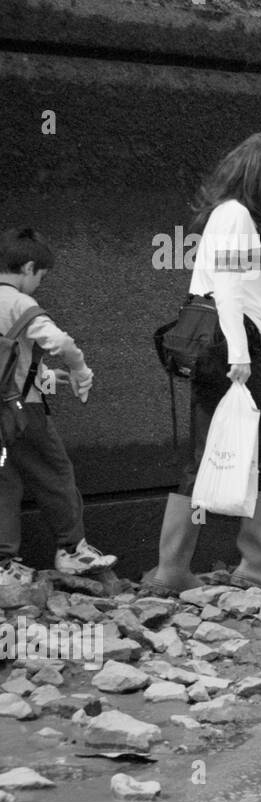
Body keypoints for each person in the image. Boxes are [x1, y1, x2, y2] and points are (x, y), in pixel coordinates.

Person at [143, 133, 261, 599]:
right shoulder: (234, 215)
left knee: (204, 455)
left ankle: (171, 568)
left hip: (220, 340)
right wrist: (241, 354)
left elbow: (242, 280)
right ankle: (254, 564)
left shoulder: (229, 216)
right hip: (235, 341)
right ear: (258, 170)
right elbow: (229, 291)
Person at [0, 227, 116, 582]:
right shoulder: (19, 302)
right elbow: (60, 342)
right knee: (56, 473)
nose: (40, 284)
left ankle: (3, 564)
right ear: (30, 267)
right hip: (22, 412)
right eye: (42, 276)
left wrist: (45, 377)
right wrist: (80, 369)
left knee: (5, 483)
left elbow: (11, 359)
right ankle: (72, 550)